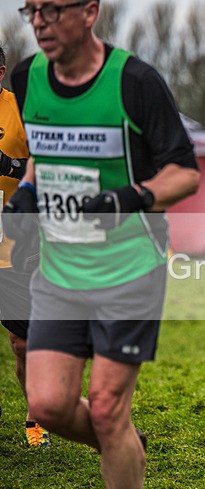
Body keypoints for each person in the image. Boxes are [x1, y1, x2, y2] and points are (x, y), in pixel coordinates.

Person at [4, 1, 199, 489]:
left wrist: (126, 198)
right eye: (30, 10)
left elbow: (185, 173)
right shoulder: (26, 78)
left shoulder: (135, 81)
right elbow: (44, 150)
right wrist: (26, 193)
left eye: (50, 9)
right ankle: (125, 451)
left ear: (89, 11)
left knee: (109, 407)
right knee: (47, 404)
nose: (38, 21)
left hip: (129, 268)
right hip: (60, 270)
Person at [0, 44, 50, 447]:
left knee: (22, 341)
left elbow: (44, 165)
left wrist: (8, 166)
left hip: (10, 237)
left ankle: (35, 420)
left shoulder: (20, 109)